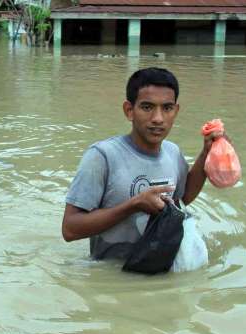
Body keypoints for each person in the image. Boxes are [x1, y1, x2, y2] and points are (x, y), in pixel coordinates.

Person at [61, 67, 225, 260]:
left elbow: (182, 197)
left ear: (176, 110)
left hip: (158, 267)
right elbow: (70, 229)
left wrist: (207, 153)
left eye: (167, 108)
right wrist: (133, 205)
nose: (158, 118)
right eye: (147, 107)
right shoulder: (102, 156)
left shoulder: (173, 153)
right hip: (112, 273)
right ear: (129, 111)